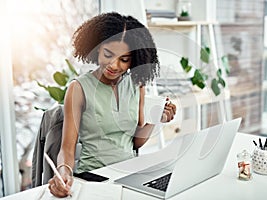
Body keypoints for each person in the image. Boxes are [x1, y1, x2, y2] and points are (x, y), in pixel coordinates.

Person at [48, 12, 177, 197]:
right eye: (108, 54)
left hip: (130, 175)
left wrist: (157, 117)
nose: (114, 65)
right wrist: (63, 172)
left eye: (124, 60)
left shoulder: (136, 85)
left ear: (134, 60)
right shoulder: (78, 89)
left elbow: (136, 143)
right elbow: (67, 148)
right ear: (97, 48)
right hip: (94, 178)